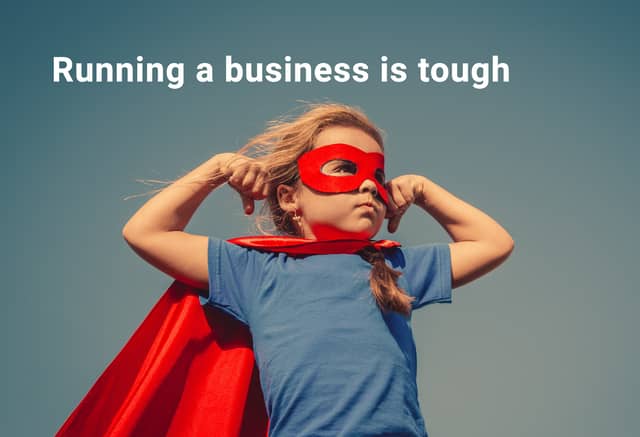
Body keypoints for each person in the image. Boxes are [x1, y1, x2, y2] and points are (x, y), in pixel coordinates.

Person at [120, 102, 514, 436]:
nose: (369, 186)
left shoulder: (393, 266)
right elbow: (147, 232)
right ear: (290, 198)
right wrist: (218, 168)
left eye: (378, 175)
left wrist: (424, 190)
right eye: (344, 167)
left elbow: (494, 244)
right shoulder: (257, 270)